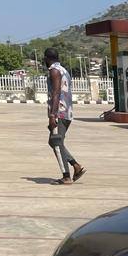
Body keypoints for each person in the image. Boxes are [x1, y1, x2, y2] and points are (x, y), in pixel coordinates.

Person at [44, 48, 85, 185]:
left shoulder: (54, 71)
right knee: (54, 141)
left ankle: (66, 176)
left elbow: (56, 93)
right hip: (67, 111)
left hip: (59, 112)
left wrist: (52, 115)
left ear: (46, 58)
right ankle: (76, 166)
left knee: (56, 142)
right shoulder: (64, 70)